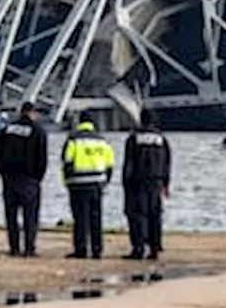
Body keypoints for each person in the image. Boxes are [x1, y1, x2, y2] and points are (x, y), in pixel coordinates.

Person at [0, 101, 48, 257]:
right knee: (30, 216)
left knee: (11, 216)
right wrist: (38, 177)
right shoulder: (38, 131)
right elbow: (42, 158)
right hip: (29, 179)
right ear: (32, 113)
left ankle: (14, 247)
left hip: (10, 178)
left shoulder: (7, 129)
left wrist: (3, 173)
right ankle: (29, 248)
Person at [62, 111, 115, 260]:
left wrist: (67, 181)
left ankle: (81, 249)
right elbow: (110, 164)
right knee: (96, 217)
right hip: (97, 183)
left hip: (77, 184)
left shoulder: (73, 139)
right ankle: (97, 249)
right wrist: (105, 182)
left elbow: (67, 161)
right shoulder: (102, 141)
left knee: (80, 218)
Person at [122, 109, 172, 261]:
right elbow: (167, 162)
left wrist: (125, 183)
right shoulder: (161, 138)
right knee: (155, 215)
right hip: (156, 181)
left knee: (138, 215)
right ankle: (155, 248)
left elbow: (129, 163)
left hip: (138, 181)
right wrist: (166, 183)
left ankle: (138, 248)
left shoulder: (134, 138)